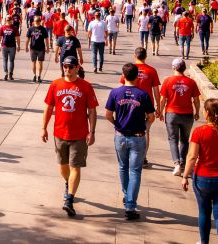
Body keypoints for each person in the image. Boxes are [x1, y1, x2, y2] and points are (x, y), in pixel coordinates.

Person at [41, 55, 98, 217]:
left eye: (70, 66)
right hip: (59, 133)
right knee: (63, 166)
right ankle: (68, 183)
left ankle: (69, 200)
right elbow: (48, 107)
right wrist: (43, 128)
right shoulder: (55, 85)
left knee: (76, 167)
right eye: (65, 66)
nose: (67, 69)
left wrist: (91, 132)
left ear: (77, 67)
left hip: (79, 134)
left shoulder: (86, 86)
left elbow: (92, 111)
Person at [182, 99, 218, 244]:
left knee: (204, 212)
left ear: (207, 113)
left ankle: (204, 241)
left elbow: (192, 157)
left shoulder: (199, 132)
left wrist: (185, 176)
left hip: (203, 178)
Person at [105, 63, 156, 220]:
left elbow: (108, 114)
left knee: (123, 167)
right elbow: (151, 116)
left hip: (120, 135)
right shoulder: (143, 95)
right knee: (135, 171)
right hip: (138, 137)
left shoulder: (115, 93)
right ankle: (130, 205)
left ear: (123, 75)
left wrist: (117, 125)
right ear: (137, 77)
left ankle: (127, 196)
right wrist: (145, 127)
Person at [120, 47, 162, 167]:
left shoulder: (129, 68)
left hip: (129, 102)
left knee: (128, 128)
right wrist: (158, 107)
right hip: (146, 105)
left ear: (135, 55)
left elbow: (122, 86)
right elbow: (156, 90)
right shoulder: (152, 71)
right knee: (145, 131)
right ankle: (142, 157)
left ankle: (129, 154)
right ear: (145, 56)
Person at [160, 58, 201, 176]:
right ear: (184, 68)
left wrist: (160, 111)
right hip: (187, 114)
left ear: (173, 68)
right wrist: (197, 112)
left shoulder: (168, 81)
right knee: (184, 140)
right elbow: (196, 100)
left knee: (173, 139)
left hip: (172, 114)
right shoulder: (191, 82)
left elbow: (163, 99)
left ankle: (177, 164)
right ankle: (182, 163)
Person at [26, 15, 50, 83]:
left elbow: (46, 39)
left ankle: (38, 75)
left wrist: (47, 47)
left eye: (37, 21)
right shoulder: (32, 29)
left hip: (39, 48)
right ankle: (36, 75)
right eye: (36, 21)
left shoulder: (41, 29)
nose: (37, 22)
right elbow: (28, 38)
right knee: (36, 62)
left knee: (38, 62)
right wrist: (26, 46)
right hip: (34, 48)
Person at [0, 15, 20, 81]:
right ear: (6, 20)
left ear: (12, 20)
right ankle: (6, 73)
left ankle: (10, 74)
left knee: (11, 60)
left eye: (10, 20)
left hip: (12, 46)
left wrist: (18, 45)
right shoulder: (2, 27)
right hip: (4, 46)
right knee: (5, 60)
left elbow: (17, 37)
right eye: (8, 20)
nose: (9, 21)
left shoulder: (15, 28)